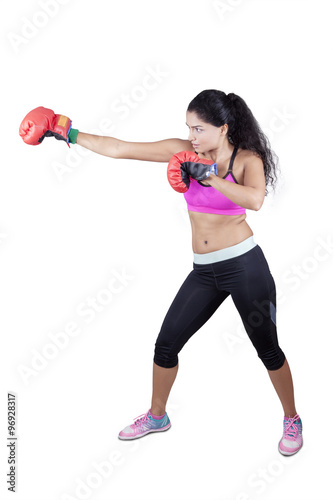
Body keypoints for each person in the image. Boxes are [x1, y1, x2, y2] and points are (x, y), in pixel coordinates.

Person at [18, 89, 303, 456]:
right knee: (165, 345)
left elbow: (256, 200)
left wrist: (210, 177)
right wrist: (68, 132)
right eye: (189, 129)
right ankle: (157, 416)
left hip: (244, 266)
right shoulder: (182, 150)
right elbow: (121, 147)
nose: (193, 137)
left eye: (199, 129)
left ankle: (292, 418)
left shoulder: (246, 159)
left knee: (267, 349)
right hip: (203, 271)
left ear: (223, 128)